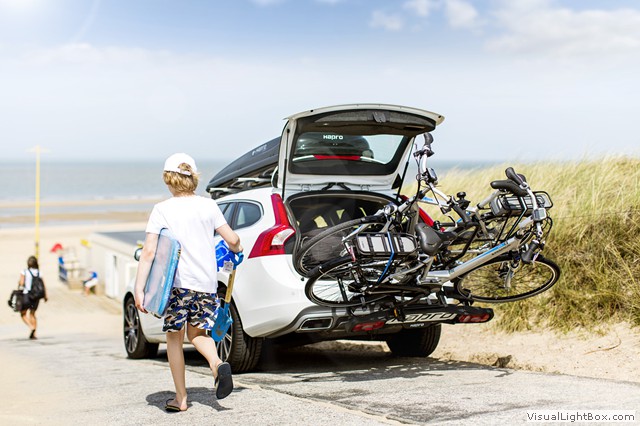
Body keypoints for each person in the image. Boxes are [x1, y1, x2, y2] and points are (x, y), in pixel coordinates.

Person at [134, 153, 242, 413]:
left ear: (168, 179)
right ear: (193, 178)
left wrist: (140, 288)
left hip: (177, 286)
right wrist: (236, 249)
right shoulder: (209, 206)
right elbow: (233, 240)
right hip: (206, 284)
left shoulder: (162, 209)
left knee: (174, 338)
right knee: (199, 334)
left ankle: (181, 398)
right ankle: (216, 363)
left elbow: (149, 252)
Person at [18, 255, 48, 340]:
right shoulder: (39, 272)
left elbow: (21, 283)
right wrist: (45, 296)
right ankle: (34, 333)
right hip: (36, 296)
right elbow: (43, 285)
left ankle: (31, 327)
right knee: (32, 314)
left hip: (27, 295)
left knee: (23, 314)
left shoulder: (24, 271)